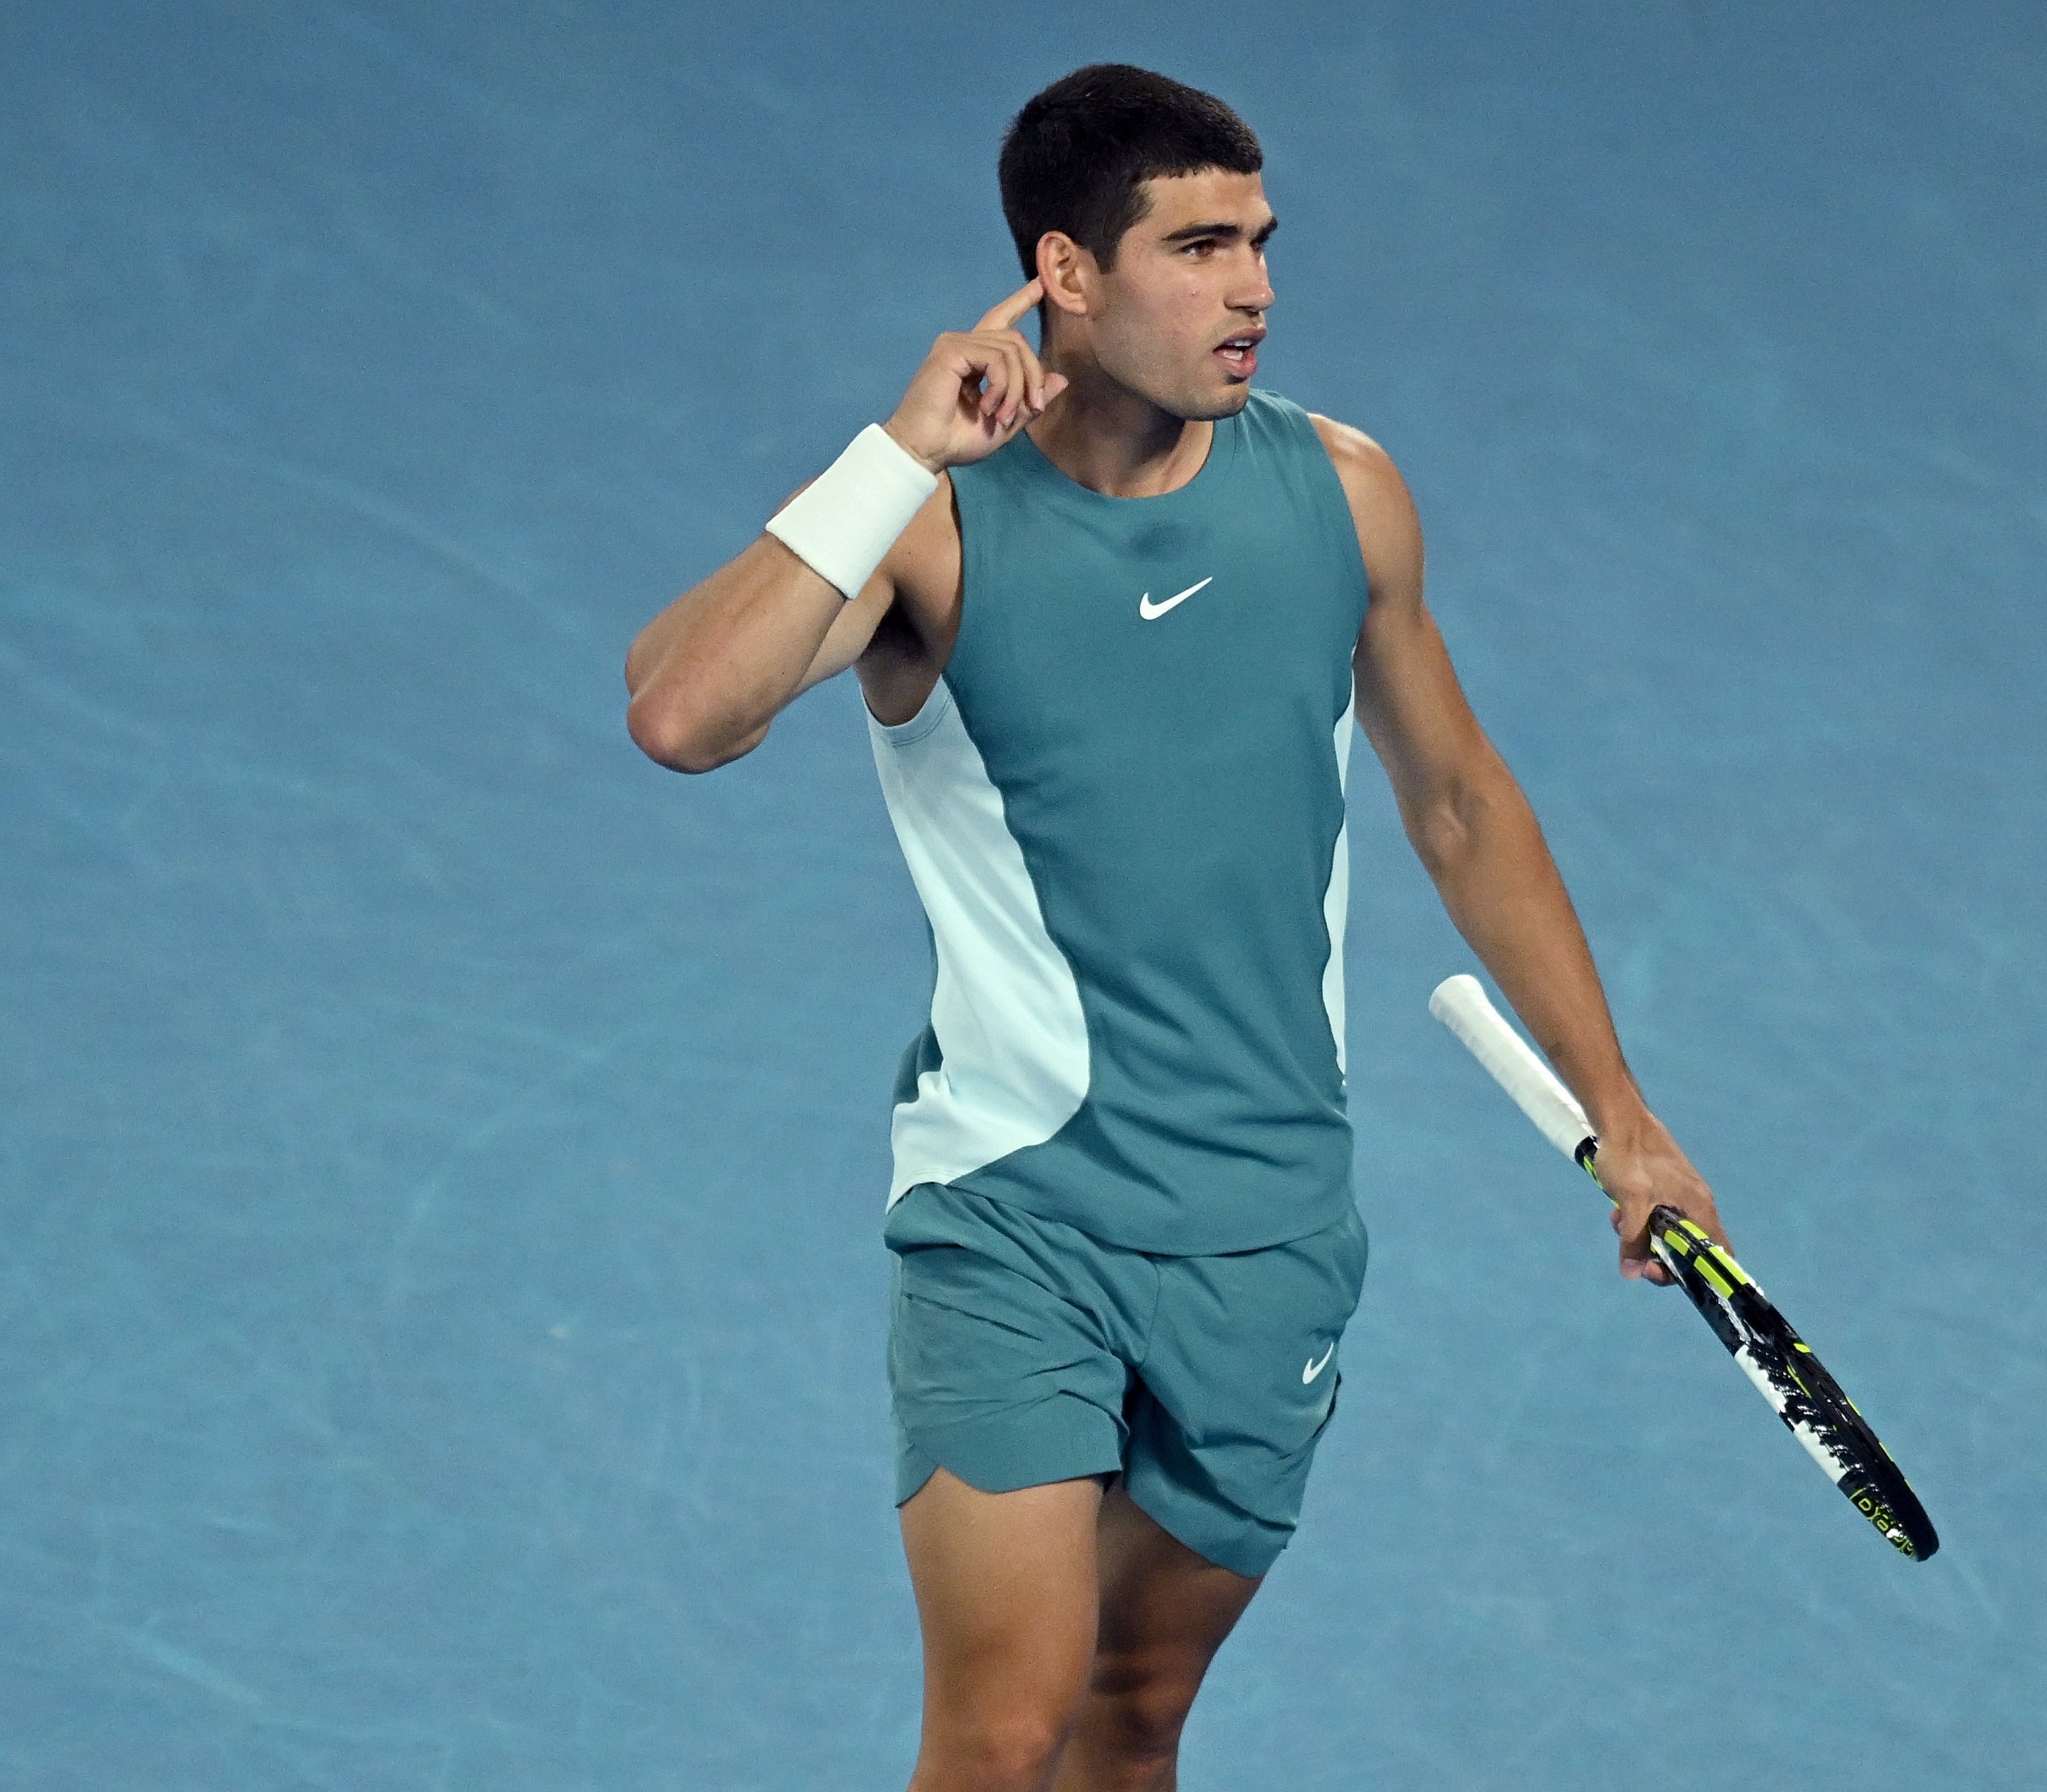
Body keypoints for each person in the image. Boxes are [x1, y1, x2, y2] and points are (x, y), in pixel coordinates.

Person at [623, 63, 1730, 1792]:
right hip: (1020, 1207)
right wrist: (893, 445)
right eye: (1199, 245)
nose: (1256, 286)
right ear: (1065, 272)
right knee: (999, 1729)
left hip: (1268, 1222)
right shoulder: (928, 523)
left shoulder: (1345, 494)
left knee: (1130, 1720)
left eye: (1262, 242)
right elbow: (686, 712)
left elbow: (1458, 801)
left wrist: (1623, 1111)